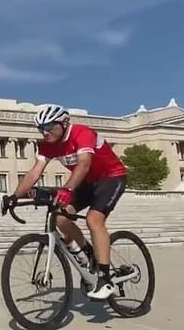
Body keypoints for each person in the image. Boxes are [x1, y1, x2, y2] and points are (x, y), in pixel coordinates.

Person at [10, 104, 128, 300]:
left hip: (111, 177)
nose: (44, 132)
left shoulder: (82, 133)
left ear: (64, 123)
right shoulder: (48, 145)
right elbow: (34, 173)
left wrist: (67, 189)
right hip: (87, 183)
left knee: (94, 220)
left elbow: (84, 164)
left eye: (48, 127)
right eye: (41, 129)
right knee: (60, 218)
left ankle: (105, 279)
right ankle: (89, 254)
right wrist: (14, 197)